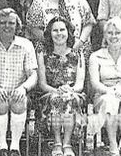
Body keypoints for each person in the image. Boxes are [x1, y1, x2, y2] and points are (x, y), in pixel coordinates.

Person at [0, 8, 38, 156]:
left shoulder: (26, 45)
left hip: (18, 93)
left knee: (19, 100)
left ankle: (15, 147)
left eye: (11, 23)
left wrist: (23, 88)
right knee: (0, 101)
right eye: (2, 23)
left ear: (17, 26)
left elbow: (33, 76)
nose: (7, 26)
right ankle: (2, 146)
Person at [89, 17, 121, 156]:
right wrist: (111, 91)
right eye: (110, 33)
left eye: (117, 33)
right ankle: (113, 146)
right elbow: (95, 83)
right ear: (105, 35)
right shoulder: (95, 56)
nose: (113, 36)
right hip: (104, 94)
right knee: (110, 101)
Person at [37, 16, 86, 156]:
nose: (59, 33)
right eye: (55, 30)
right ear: (49, 33)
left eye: (62, 30)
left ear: (68, 32)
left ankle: (67, 142)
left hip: (74, 93)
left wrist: (69, 91)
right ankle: (58, 142)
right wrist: (57, 91)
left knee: (68, 99)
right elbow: (42, 84)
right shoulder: (42, 53)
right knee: (57, 99)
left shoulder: (77, 53)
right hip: (50, 93)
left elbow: (80, 84)